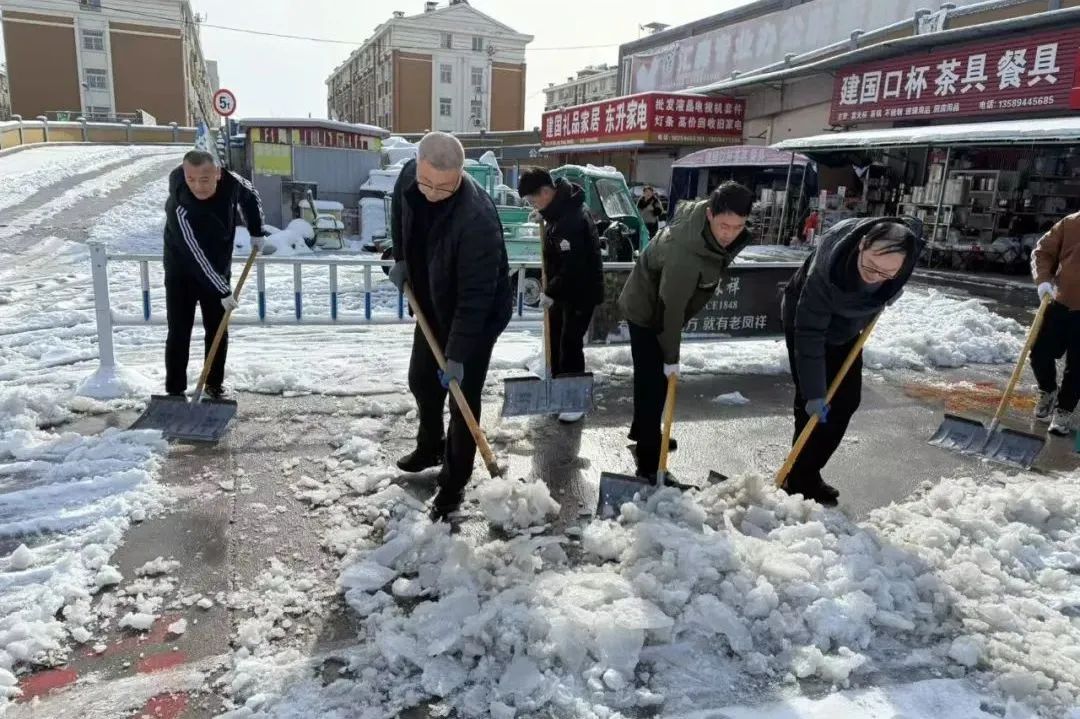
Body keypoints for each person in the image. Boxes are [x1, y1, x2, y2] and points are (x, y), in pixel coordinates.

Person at [387, 132, 512, 520]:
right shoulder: (410, 177)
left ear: (460, 174)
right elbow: (400, 215)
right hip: (431, 300)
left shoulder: (477, 218)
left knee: (461, 398)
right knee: (421, 379)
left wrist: (457, 355)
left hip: (474, 316)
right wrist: (402, 258)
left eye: (445, 185)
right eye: (427, 182)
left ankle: (455, 481)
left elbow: (475, 297)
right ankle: (430, 445)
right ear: (418, 166)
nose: (433, 193)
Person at [618, 181, 754, 482]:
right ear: (709, 215)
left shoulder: (707, 233)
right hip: (646, 309)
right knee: (653, 382)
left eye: (737, 226)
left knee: (654, 379)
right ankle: (649, 458)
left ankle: (646, 431)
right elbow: (671, 308)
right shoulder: (685, 251)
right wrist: (671, 355)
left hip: (663, 304)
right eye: (723, 225)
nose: (729, 234)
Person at [782, 218, 919, 505]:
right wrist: (815, 393)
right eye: (870, 266)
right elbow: (809, 335)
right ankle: (794, 480)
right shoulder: (826, 271)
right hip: (806, 320)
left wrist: (888, 288)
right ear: (861, 246)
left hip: (848, 326)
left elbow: (912, 229)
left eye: (887, 272)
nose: (874, 276)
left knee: (846, 401)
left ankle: (808, 471)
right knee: (812, 405)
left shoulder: (899, 261)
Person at [163, 149, 265, 400]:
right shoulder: (179, 204)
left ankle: (214, 386)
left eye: (205, 179)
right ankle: (175, 391)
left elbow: (251, 195)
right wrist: (222, 290)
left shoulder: (231, 183)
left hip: (218, 267)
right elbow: (195, 253)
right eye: (191, 179)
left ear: (217, 174)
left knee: (217, 329)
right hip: (181, 271)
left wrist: (256, 230)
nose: (197, 186)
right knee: (179, 330)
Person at [516, 167, 604, 423]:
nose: (534, 204)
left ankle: (574, 400)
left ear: (546, 192)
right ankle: (556, 388)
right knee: (554, 337)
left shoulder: (572, 219)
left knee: (570, 343)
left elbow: (573, 265)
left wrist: (551, 291)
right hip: (564, 288)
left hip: (581, 292)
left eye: (534, 201)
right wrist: (544, 215)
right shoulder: (560, 209)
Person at [1030, 212, 1080, 436]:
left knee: (1078, 367)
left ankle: (1064, 410)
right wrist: (1043, 281)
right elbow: (1043, 252)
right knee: (1039, 351)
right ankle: (1048, 390)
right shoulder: (1071, 223)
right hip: (1060, 301)